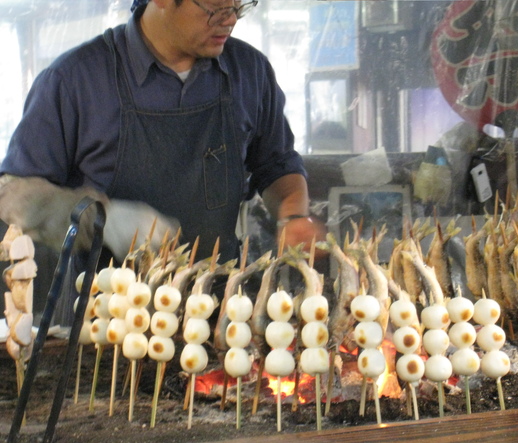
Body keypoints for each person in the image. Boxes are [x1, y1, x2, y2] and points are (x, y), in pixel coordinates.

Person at [0, 0, 325, 266]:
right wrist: (105, 220)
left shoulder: (249, 71)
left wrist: (293, 215)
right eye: (215, 7)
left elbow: (276, 164)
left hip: (222, 309)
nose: (230, 19)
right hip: (107, 318)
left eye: (239, 5)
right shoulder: (75, 80)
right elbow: (13, 195)